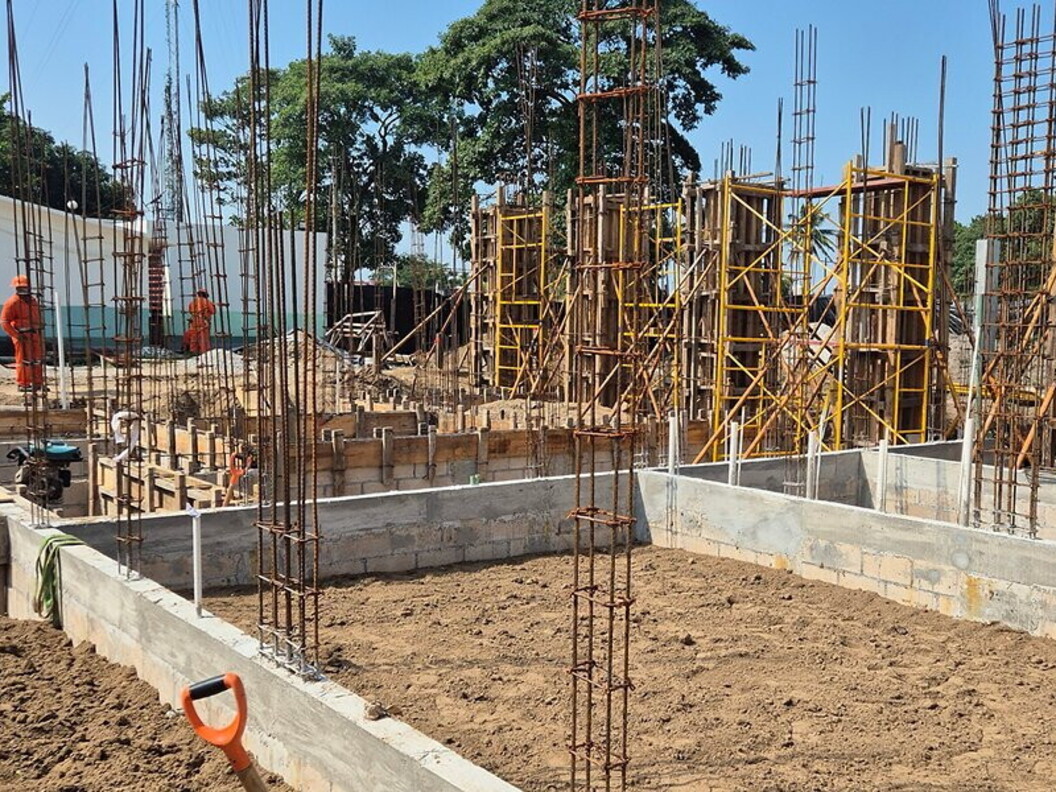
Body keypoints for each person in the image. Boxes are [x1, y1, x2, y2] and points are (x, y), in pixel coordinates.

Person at [0, 274, 44, 392]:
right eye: (20, 288)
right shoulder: (12, 302)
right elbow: (4, 322)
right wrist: (16, 335)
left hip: (34, 335)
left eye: (24, 288)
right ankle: (23, 383)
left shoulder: (33, 301)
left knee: (37, 359)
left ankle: (37, 382)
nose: (23, 290)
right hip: (21, 335)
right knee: (23, 360)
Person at [183, 288, 216, 355]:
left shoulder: (192, 302)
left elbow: (190, 311)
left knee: (194, 339)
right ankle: (203, 354)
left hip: (194, 322)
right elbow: (213, 311)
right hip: (203, 323)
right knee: (203, 339)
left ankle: (193, 353)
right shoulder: (207, 302)